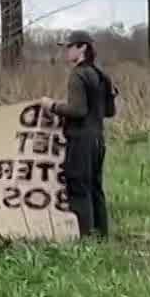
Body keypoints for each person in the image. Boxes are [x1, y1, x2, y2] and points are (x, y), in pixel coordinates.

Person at [43, 30, 114, 238]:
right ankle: (102, 236)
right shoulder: (101, 75)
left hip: (81, 139)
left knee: (79, 188)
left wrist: (52, 105)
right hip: (98, 138)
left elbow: (78, 110)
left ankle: (85, 239)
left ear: (82, 48)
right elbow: (110, 111)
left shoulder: (78, 74)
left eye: (70, 47)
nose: (66, 52)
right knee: (95, 188)